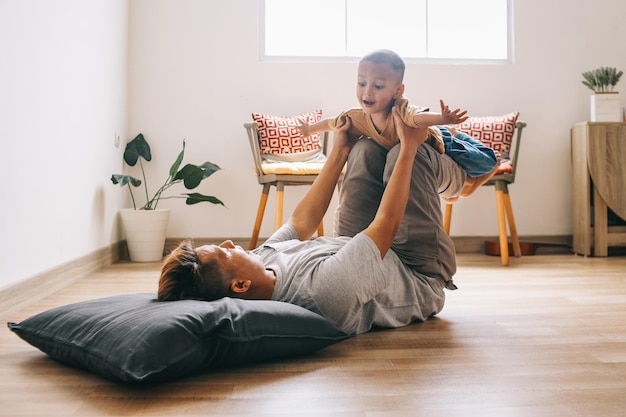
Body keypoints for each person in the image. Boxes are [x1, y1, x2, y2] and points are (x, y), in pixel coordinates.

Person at [158, 107, 470, 336]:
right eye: (225, 252)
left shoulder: (261, 263)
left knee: (362, 151)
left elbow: (301, 221)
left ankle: (390, 155)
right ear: (240, 286)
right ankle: (464, 182)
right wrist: (411, 146)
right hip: (417, 271)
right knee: (404, 152)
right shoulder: (321, 295)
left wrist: (340, 151)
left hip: (358, 249)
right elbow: (385, 226)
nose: (230, 243)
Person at [298, 49, 499, 200]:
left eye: (378, 86)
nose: (367, 92)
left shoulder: (400, 111)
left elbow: (418, 118)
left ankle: (485, 157)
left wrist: (443, 119)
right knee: (458, 188)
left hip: (441, 140)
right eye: (361, 84)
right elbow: (332, 123)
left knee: (487, 160)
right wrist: (309, 130)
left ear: (397, 91)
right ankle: (459, 188)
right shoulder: (357, 117)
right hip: (427, 142)